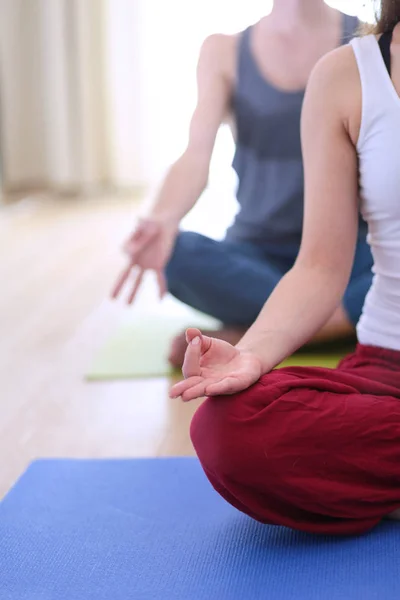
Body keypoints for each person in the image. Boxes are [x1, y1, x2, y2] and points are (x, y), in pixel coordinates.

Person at [170, 0, 400, 535]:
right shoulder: (347, 74)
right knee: (228, 429)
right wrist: (250, 354)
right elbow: (320, 266)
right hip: (387, 370)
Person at [112, 0, 373, 368]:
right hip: (258, 253)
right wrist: (163, 218)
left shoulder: (369, 42)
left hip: (348, 256)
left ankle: (249, 337)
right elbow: (195, 155)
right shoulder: (223, 50)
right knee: (177, 253)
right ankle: (334, 327)